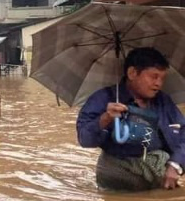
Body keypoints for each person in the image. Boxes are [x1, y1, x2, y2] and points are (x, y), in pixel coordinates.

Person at [77, 47, 185, 191]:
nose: (159, 83)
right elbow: (85, 140)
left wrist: (176, 165)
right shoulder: (103, 99)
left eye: (162, 78)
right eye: (154, 76)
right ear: (132, 73)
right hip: (116, 171)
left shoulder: (163, 101)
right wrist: (106, 117)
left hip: (159, 170)